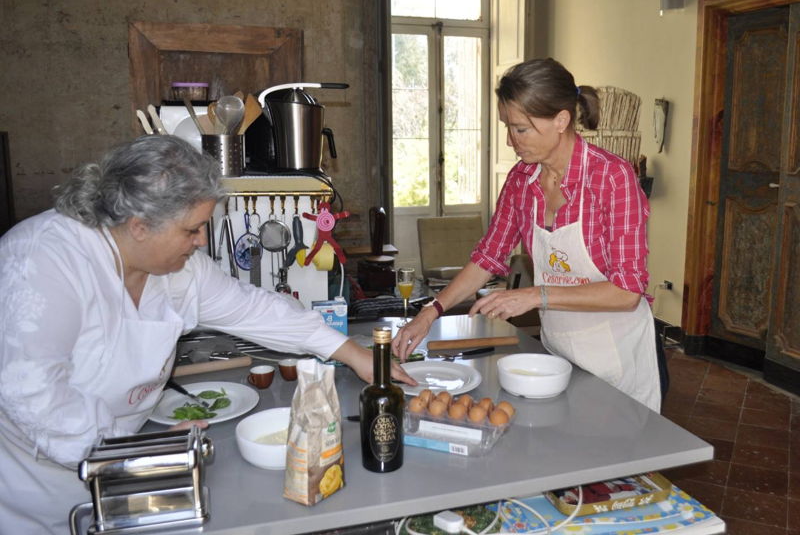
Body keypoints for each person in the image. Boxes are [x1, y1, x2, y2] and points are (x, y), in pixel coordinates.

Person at [0, 135, 414, 534]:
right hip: (40, 489)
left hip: (131, 467)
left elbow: (258, 310)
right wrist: (137, 454)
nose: (200, 241)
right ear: (140, 225)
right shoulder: (41, 260)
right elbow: (35, 395)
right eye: (192, 229)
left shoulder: (180, 268)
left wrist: (350, 352)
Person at [393, 57, 661, 413]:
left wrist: (535, 295)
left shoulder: (612, 179)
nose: (510, 141)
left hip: (617, 359)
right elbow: (487, 258)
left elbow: (627, 292)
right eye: (508, 127)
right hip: (559, 355)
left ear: (561, 120)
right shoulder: (522, 181)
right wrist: (431, 311)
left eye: (521, 129)